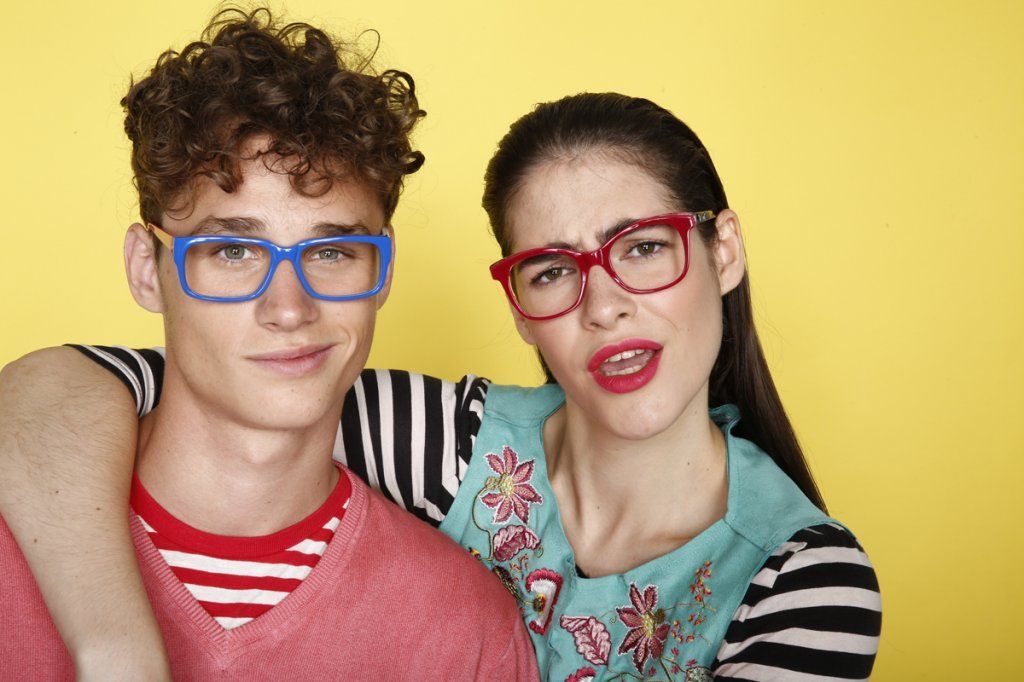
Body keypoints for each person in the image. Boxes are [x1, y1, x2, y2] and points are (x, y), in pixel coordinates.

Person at [0, 83, 882, 682]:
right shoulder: (442, 442)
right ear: (518, 301)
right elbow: (98, 388)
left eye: (643, 248)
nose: (605, 305)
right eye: (551, 269)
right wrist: (117, 650)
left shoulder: (806, 577)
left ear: (720, 250)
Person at [0, 9, 540, 680]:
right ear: (147, 268)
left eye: (334, 251)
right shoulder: (14, 546)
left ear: (384, 270)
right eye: (232, 249)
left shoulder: (467, 628)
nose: (289, 308)